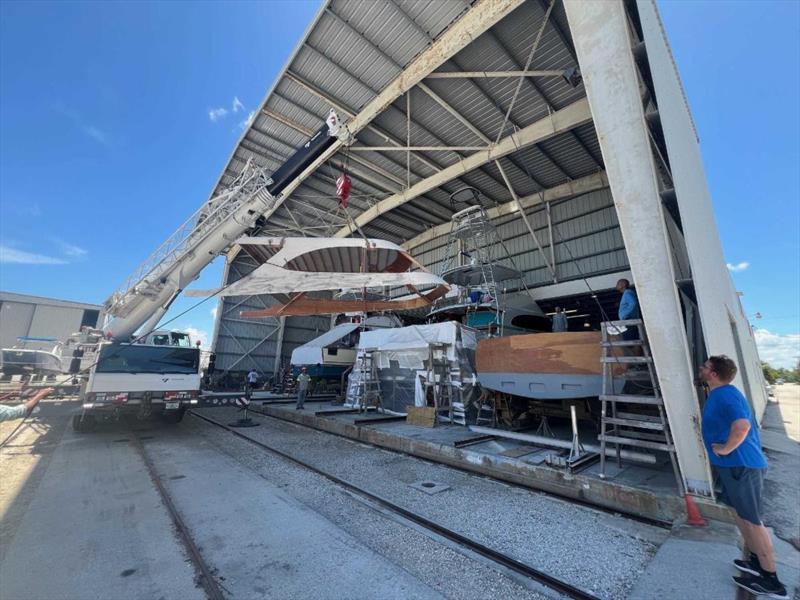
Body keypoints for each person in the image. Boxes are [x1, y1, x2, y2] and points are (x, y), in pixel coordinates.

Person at [699, 355, 787, 599]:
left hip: (741, 465)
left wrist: (726, 449)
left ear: (714, 373)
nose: (701, 368)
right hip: (733, 467)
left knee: (752, 520)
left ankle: (772, 581)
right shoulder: (720, 393)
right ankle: (758, 563)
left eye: (705, 366)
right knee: (741, 515)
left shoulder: (726, 394)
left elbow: (742, 426)